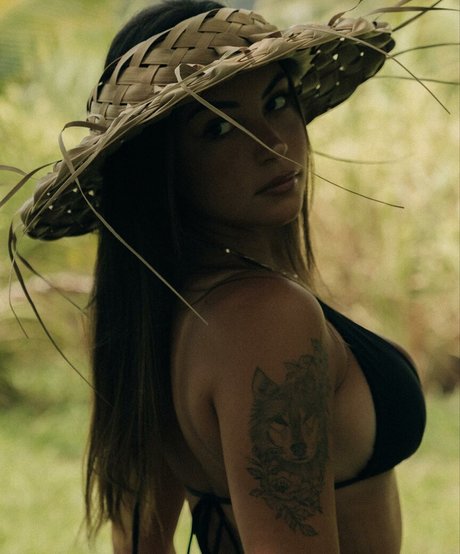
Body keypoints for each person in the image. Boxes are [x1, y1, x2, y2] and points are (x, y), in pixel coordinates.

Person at [2, 0, 431, 552]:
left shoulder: (154, 311)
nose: (271, 142)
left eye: (277, 102)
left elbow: (138, 540)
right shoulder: (263, 318)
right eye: (219, 128)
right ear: (161, 167)